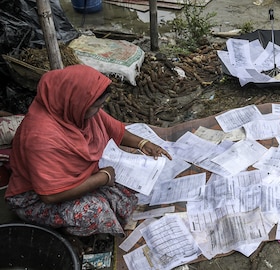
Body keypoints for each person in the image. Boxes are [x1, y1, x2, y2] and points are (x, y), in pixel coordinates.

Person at [5, 64, 171, 237]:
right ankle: (61, 232)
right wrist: (102, 178)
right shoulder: (41, 137)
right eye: (96, 106)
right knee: (94, 212)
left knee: (131, 183)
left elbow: (113, 129)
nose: (98, 111)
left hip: (84, 177)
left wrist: (143, 143)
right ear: (76, 101)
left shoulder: (75, 109)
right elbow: (50, 195)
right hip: (35, 198)